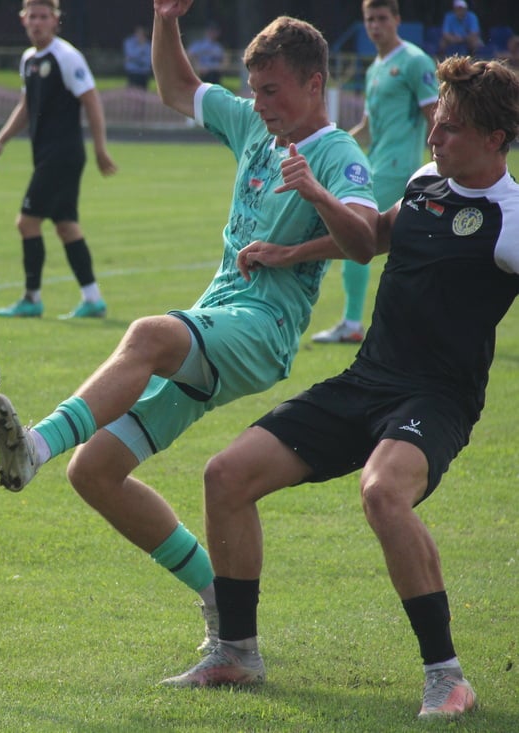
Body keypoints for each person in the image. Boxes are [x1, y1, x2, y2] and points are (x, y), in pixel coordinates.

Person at [0, 1, 377, 654]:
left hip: (264, 329)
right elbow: (177, 87)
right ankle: (219, 601)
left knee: (150, 335)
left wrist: (313, 199)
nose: (260, 104)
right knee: (95, 471)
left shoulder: (338, 153)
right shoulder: (252, 124)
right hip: (218, 317)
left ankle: (33, 447)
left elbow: (364, 241)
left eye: (272, 90)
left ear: (315, 84)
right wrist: (165, 19)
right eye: (254, 90)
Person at [163, 56, 519, 722]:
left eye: (450, 129)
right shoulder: (425, 182)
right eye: (437, 123)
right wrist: (289, 252)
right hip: (367, 380)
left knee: (383, 492)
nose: (434, 137)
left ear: (495, 139)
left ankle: (447, 678)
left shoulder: (510, 219)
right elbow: (376, 235)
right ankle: (236, 653)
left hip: (436, 399)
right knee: (225, 475)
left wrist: (317, 195)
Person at [313, 0, 437, 344]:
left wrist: (439, 171)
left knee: (356, 236)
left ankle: (353, 323)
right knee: (394, 247)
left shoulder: (415, 61)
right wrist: (329, 147)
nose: (375, 25)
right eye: (369, 19)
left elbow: (435, 118)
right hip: (375, 166)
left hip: (399, 169)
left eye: (382, 18)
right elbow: (367, 128)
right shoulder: (374, 69)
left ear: (397, 19)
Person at [0, 0, 118, 320]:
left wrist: (100, 148)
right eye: (32, 16)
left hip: (63, 154)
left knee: (27, 222)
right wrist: (0, 141)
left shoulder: (66, 57)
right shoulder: (29, 59)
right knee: (66, 227)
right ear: (23, 20)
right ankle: (93, 299)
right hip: (45, 154)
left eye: (44, 16)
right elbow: (27, 105)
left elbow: (92, 101)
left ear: (56, 20)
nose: (37, 22)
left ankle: (31, 298)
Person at [123, 25, 153, 89]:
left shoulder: (148, 44)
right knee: (132, 92)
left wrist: (134, 59)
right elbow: (130, 54)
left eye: (142, 33)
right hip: (132, 72)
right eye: (138, 33)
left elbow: (148, 60)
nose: (140, 35)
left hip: (144, 73)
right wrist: (141, 47)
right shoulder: (129, 42)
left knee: (143, 92)